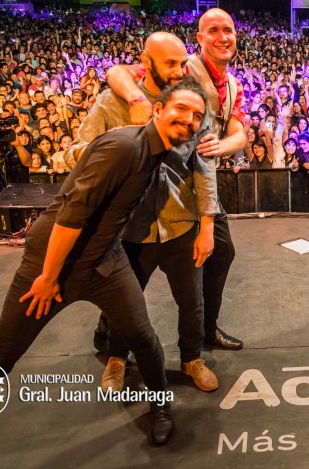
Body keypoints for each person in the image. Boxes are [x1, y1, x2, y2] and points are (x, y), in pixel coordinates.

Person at [0, 82, 209, 468]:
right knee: (1, 358)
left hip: (106, 261)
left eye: (197, 116)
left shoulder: (159, 151)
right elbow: (72, 216)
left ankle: (159, 408)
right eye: (183, 110)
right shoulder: (124, 146)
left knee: (142, 335)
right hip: (53, 263)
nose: (189, 121)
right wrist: (48, 277)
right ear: (157, 110)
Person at [71, 32, 220, 393]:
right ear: (146, 60)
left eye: (183, 62)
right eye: (171, 63)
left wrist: (207, 226)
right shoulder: (113, 102)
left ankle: (191, 359)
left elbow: (204, 169)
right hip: (128, 229)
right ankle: (117, 359)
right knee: (123, 302)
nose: (180, 70)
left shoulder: (190, 103)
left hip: (180, 223)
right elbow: (80, 149)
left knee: (192, 301)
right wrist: (127, 140)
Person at [107, 8, 247, 351]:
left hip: (199, 178)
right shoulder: (184, 68)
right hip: (164, 183)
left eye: (227, 30)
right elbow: (118, 72)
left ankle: (205, 329)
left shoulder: (232, 84)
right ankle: (109, 338)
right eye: (212, 30)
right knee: (135, 266)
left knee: (220, 253)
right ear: (198, 39)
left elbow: (239, 132)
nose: (222, 37)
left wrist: (222, 145)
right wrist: (138, 99)